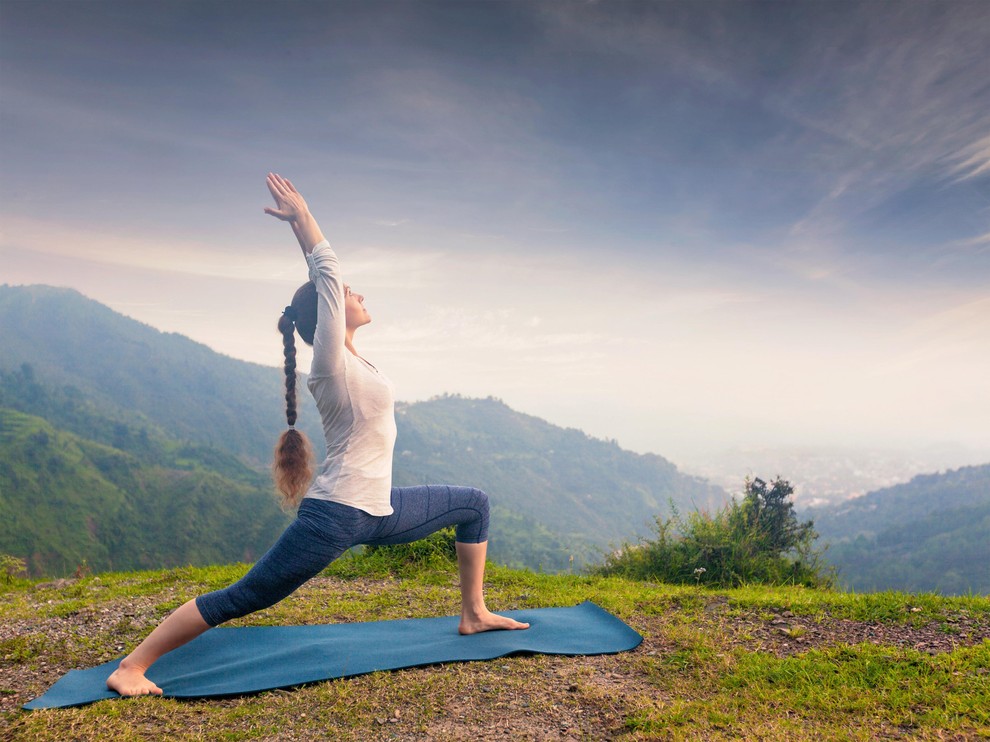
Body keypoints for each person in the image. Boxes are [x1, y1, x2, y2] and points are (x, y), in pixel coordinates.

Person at [107, 173, 528, 698]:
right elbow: (327, 273)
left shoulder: (356, 360)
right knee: (248, 594)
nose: (358, 293)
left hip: (379, 510)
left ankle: (474, 613)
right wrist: (302, 220)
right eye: (349, 293)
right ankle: (131, 666)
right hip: (335, 515)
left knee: (475, 504)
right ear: (327, 316)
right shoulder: (328, 363)